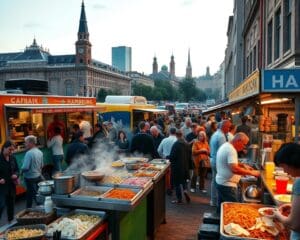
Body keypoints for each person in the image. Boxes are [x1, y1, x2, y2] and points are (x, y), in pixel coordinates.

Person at [215, 132, 260, 213]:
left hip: (222, 182)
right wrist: (253, 173)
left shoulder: (226, 146)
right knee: (233, 211)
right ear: (238, 140)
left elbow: (229, 162)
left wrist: (243, 165)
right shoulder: (231, 150)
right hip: (227, 186)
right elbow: (234, 169)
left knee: (222, 210)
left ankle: (220, 224)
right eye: (244, 144)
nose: (244, 147)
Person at [274, 143, 300, 239]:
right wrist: (293, 206)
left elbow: (294, 225)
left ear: (290, 163)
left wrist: (277, 214)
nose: (285, 172)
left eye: (283, 166)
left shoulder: (299, 182)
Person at [209, 119, 232, 206]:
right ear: (224, 127)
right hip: (217, 161)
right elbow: (223, 151)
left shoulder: (215, 134)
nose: (229, 129)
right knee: (218, 181)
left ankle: (213, 200)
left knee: (214, 181)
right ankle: (217, 201)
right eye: (228, 127)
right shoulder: (221, 136)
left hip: (213, 159)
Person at [169, 129, 191, 204]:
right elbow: (189, 155)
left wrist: (167, 157)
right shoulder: (186, 143)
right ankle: (185, 190)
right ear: (182, 135)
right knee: (184, 180)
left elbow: (172, 156)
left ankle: (179, 199)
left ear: (176, 135)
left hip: (177, 166)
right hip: (185, 166)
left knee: (177, 183)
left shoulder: (176, 144)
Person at [21, 135, 43, 208]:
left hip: (30, 178)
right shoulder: (40, 152)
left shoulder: (29, 153)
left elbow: (25, 167)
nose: (25, 144)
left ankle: (35, 211)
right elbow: (42, 165)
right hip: (38, 176)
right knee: (36, 195)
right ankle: (30, 210)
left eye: (26, 142)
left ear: (31, 143)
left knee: (32, 196)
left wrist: (21, 171)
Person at [0, 141, 19, 222]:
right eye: (9, 149)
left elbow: (17, 170)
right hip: (1, 187)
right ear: (4, 148)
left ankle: (10, 223)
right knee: (1, 206)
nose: (11, 152)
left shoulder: (12, 158)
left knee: (11, 206)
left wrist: (16, 175)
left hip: (11, 186)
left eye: (12, 150)